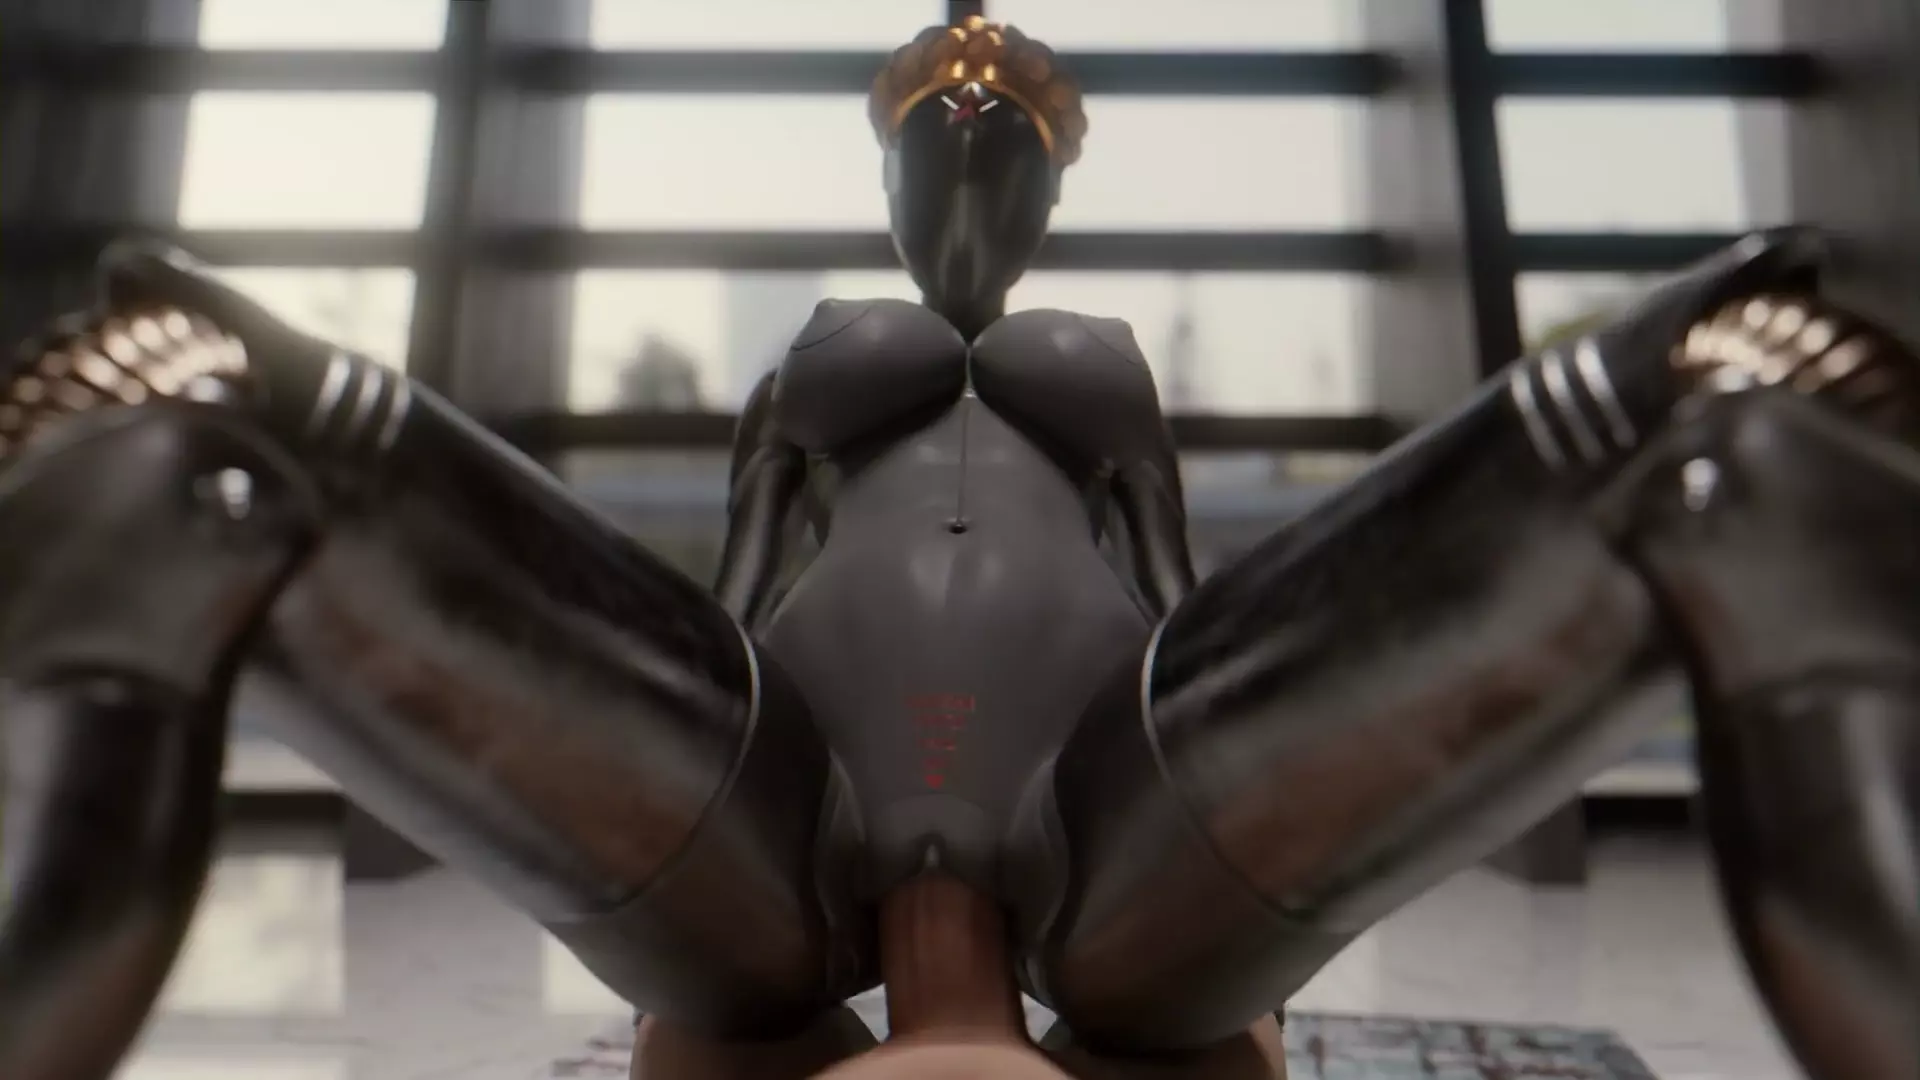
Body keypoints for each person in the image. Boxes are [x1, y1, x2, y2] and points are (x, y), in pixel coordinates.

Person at [1, 16, 1916, 1080]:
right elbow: (720, 601)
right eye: (946, 114)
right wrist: (650, 768)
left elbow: (1191, 603)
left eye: (1013, 123)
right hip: (782, 823)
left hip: (1122, 824)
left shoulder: (1102, 367)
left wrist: (1269, 820)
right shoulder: (819, 360)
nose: (980, 130)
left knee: (1738, 441)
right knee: (189, 441)